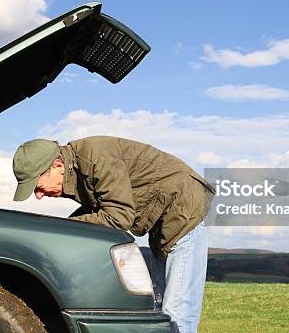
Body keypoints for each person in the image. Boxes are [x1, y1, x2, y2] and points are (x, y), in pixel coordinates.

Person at [12, 135, 214, 333]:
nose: (38, 195)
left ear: (57, 165)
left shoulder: (97, 159)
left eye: (37, 185)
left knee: (177, 311)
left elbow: (119, 217)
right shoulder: (77, 169)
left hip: (185, 212)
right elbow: (97, 212)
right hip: (162, 225)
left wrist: (65, 227)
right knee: (159, 308)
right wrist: (62, 227)